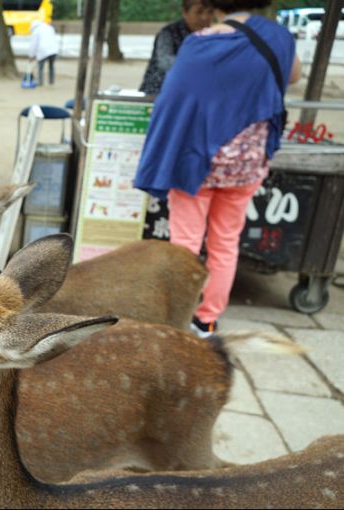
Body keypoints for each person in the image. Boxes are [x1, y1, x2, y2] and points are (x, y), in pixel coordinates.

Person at [135, 0, 301, 338]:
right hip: (248, 163)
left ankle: (178, 315)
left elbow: (175, 100)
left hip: (199, 161)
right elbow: (293, 75)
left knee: (185, 242)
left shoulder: (202, 43)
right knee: (226, 241)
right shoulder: (279, 37)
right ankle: (207, 320)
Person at [139, 0, 214, 96]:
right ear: (184, 12)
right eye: (199, 12)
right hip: (160, 92)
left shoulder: (212, 35)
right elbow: (165, 61)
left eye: (210, 12)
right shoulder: (168, 33)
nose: (205, 17)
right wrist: (198, 65)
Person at [28, 20, 58, 86]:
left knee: (40, 67)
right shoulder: (50, 27)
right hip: (53, 49)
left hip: (43, 50)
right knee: (51, 65)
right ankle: (51, 81)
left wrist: (31, 55)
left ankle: (40, 82)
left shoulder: (36, 31)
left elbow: (34, 44)